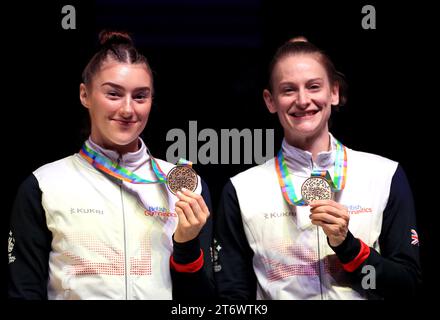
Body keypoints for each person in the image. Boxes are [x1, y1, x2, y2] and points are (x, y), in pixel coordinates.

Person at [8, 31, 215, 300]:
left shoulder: (187, 187)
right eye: (114, 94)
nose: (128, 109)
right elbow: (24, 292)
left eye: (140, 96)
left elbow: (199, 303)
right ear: (85, 95)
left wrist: (186, 244)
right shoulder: (44, 185)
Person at [214, 37, 421, 299]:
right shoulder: (242, 190)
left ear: (334, 92)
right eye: (288, 90)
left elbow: (407, 286)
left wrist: (348, 247)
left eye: (313, 86)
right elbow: (234, 296)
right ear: (270, 100)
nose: (302, 100)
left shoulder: (384, 175)